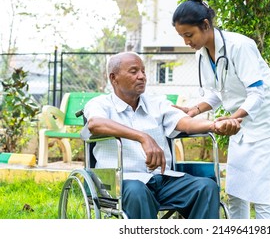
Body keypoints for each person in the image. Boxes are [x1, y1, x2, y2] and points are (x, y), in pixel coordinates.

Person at [172, 0, 270, 219]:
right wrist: (194, 110)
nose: (186, 41)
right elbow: (217, 92)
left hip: (268, 126)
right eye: (182, 36)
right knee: (235, 194)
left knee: (262, 198)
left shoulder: (240, 46)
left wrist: (234, 118)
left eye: (189, 34)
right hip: (241, 129)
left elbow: (257, 91)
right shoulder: (201, 54)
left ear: (205, 25)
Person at [82, 51, 241, 219]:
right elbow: (95, 124)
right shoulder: (100, 104)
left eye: (143, 71)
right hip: (122, 182)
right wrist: (143, 137)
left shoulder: (157, 103)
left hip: (162, 180)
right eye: (134, 71)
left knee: (206, 187)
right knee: (137, 191)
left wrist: (215, 125)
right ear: (114, 78)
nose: (142, 76)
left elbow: (186, 122)